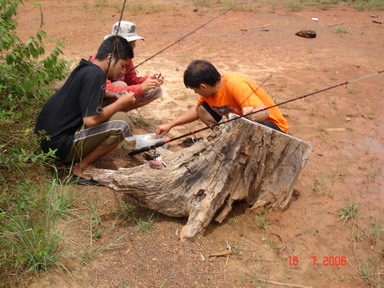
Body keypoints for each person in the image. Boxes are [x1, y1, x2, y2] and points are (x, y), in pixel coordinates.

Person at [35, 36, 136, 184]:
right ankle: (81, 167)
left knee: (116, 114)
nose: (122, 71)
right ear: (110, 57)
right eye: (122, 65)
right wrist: (120, 103)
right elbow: (91, 120)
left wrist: (113, 94)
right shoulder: (96, 75)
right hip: (59, 147)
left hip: (47, 141)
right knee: (124, 123)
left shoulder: (86, 68)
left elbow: (85, 93)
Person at [156, 59, 288, 137]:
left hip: (272, 127)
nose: (196, 93)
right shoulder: (210, 92)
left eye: (195, 90)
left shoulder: (236, 85)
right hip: (240, 126)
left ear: (204, 86)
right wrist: (170, 125)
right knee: (203, 110)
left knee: (247, 125)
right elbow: (197, 111)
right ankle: (225, 139)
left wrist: (251, 115)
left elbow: (264, 112)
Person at [90, 21, 164, 109]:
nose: (135, 45)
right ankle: (109, 114)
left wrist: (147, 80)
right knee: (121, 85)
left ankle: (119, 112)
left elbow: (131, 79)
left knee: (155, 89)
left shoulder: (125, 58)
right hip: (99, 101)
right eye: (132, 42)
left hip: (117, 94)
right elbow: (106, 89)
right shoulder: (99, 61)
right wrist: (141, 88)